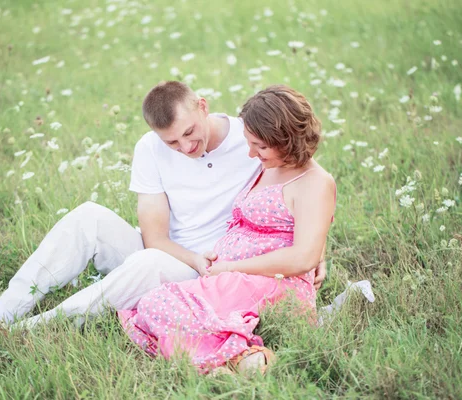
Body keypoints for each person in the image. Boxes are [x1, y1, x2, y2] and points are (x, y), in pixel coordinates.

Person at [0, 81, 327, 345]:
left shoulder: (251, 139)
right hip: (180, 255)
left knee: (148, 265)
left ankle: (29, 330)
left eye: (190, 132)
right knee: (89, 216)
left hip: (218, 268)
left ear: (203, 106)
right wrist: (192, 256)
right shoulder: (150, 148)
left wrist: (317, 252)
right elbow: (155, 238)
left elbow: (302, 181)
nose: (186, 146)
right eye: (172, 141)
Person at [119, 85, 336, 374]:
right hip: (239, 276)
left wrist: (232, 267)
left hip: (271, 279)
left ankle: (225, 359)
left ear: (285, 139)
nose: (249, 153)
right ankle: (235, 360)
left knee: (156, 305)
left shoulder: (315, 181)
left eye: (258, 145)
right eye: (248, 143)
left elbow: (302, 258)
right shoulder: (269, 164)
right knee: (156, 304)